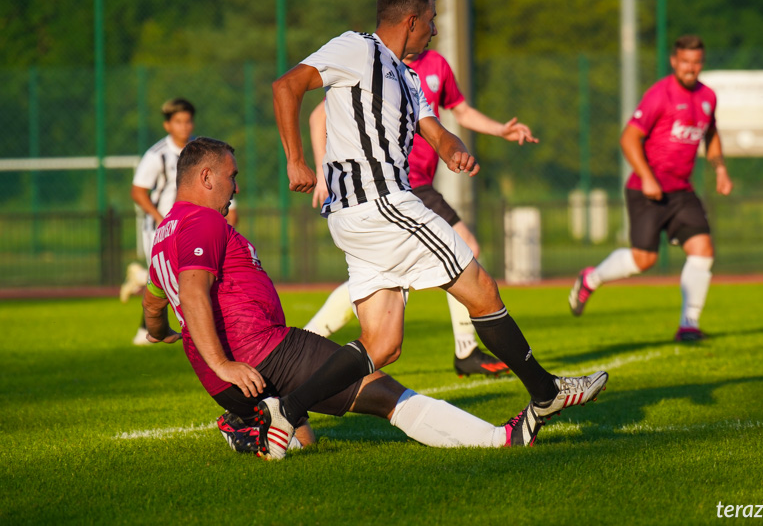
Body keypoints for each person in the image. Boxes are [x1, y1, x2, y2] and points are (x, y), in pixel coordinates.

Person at [265, 0, 608, 459]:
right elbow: (287, 86)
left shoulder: (405, 77)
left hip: (361, 216)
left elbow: (433, 128)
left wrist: (453, 149)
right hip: (381, 204)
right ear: (410, 20)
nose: (435, 30)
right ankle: (546, 392)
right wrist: (296, 160)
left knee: (381, 345)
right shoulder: (356, 48)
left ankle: (287, 409)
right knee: (481, 287)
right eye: (431, 20)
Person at [142, 137, 547, 457]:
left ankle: (250, 430)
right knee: (386, 394)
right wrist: (224, 362)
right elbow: (194, 292)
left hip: (220, 380)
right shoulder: (203, 221)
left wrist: (160, 333)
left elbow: (153, 302)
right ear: (207, 177)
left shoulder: (165, 232)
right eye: (232, 176)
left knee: (303, 437)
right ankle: (501, 440)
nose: (237, 186)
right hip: (261, 354)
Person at [303, 48, 538, 378]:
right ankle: (467, 350)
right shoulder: (372, 62)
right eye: (428, 20)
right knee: (450, 254)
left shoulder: (435, 66)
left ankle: (304, 342)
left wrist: (500, 130)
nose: (433, 28)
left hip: (420, 185)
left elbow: (462, 111)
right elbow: (318, 116)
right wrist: (321, 169)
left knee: (396, 272)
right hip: (393, 185)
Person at [569, 35, 733, 341]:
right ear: (674, 61)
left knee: (703, 250)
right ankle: (591, 279)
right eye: (685, 62)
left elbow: (711, 134)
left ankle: (688, 325)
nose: (690, 68)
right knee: (643, 260)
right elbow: (628, 138)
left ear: (702, 63)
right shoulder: (660, 94)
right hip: (647, 190)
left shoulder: (708, 97)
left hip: (682, 191)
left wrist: (720, 169)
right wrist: (646, 176)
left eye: (696, 62)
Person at [122, 98, 237, 345]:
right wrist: (161, 220)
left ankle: (148, 320)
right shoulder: (157, 155)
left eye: (188, 121)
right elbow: (138, 191)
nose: (184, 127)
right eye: (178, 122)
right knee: (175, 276)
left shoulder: (203, 152)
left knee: (177, 276)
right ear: (167, 125)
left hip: (194, 227)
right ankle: (157, 324)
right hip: (163, 227)